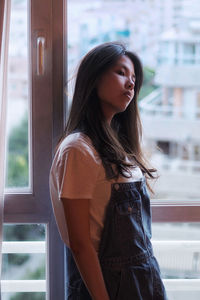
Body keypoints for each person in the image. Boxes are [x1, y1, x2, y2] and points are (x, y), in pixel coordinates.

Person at [49, 42, 168, 300]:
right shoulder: (78, 149)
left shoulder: (121, 149)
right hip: (109, 287)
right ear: (94, 78)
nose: (131, 84)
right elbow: (81, 245)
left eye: (134, 78)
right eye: (121, 72)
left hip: (145, 281)